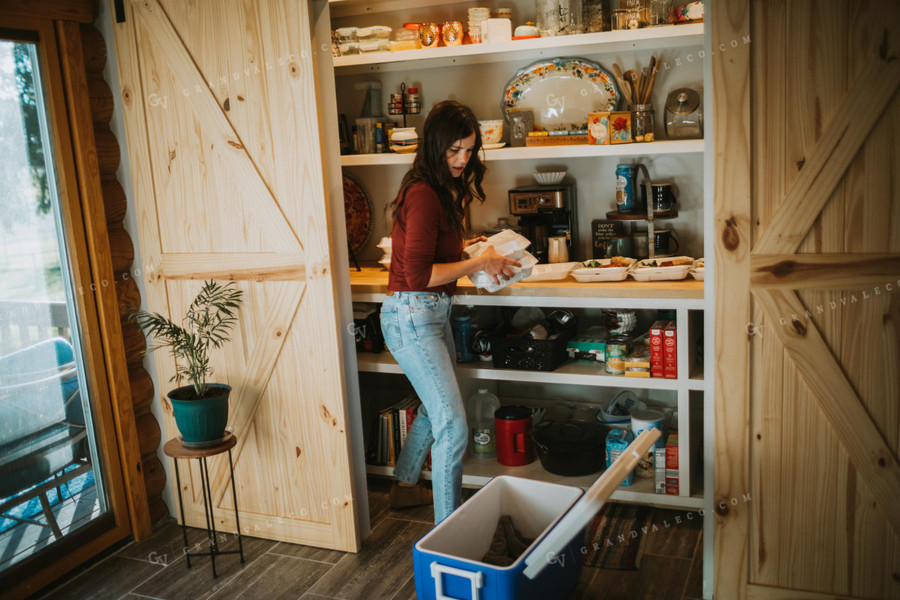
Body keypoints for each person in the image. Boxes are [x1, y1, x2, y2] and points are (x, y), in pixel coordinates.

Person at [380, 101, 520, 524]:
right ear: (435, 146)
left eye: (469, 150)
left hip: (429, 312)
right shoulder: (424, 195)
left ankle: (405, 487)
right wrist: (478, 263)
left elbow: (431, 257)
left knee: (433, 407)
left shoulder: (435, 186)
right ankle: (449, 534)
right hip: (413, 313)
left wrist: (472, 251)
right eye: (454, 150)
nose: (462, 159)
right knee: (453, 424)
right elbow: (420, 274)